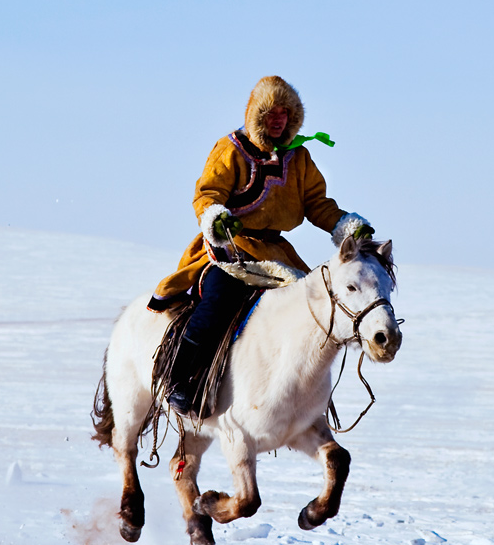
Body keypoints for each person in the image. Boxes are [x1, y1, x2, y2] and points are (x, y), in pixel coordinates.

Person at [147, 76, 374, 414]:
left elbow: (318, 204)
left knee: (310, 309)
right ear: (257, 115)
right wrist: (215, 218)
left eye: (286, 113)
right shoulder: (230, 149)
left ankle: (293, 397)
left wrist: (347, 227)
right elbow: (207, 193)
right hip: (229, 249)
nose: (280, 119)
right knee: (218, 304)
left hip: (276, 253)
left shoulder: (300, 158)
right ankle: (179, 378)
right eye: (272, 112)